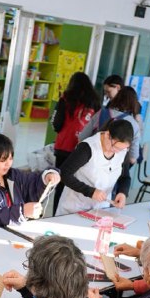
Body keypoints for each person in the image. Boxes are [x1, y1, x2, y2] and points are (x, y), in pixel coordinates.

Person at [0, 133, 61, 227]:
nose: (8, 164)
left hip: (14, 230)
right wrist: (22, 212)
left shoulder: (13, 175)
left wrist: (47, 176)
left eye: (10, 159)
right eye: (2, 160)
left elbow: (33, 182)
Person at [57, 119, 133, 215]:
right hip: (75, 206)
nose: (117, 151)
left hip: (101, 209)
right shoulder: (88, 148)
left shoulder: (122, 151)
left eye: (122, 149)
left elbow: (125, 177)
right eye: (115, 147)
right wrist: (90, 192)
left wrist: (122, 192)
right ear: (107, 135)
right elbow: (64, 174)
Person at [51, 72, 101, 212]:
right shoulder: (95, 102)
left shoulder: (65, 98)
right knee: (79, 183)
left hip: (64, 146)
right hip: (84, 150)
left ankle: (57, 213)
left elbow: (57, 123)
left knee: (61, 182)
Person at [79, 86, 142, 165]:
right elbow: (133, 158)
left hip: (91, 158)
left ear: (116, 98)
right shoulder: (133, 124)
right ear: (134, 103)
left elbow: (82, 137)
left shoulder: (101, 113)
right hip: (114, 167)